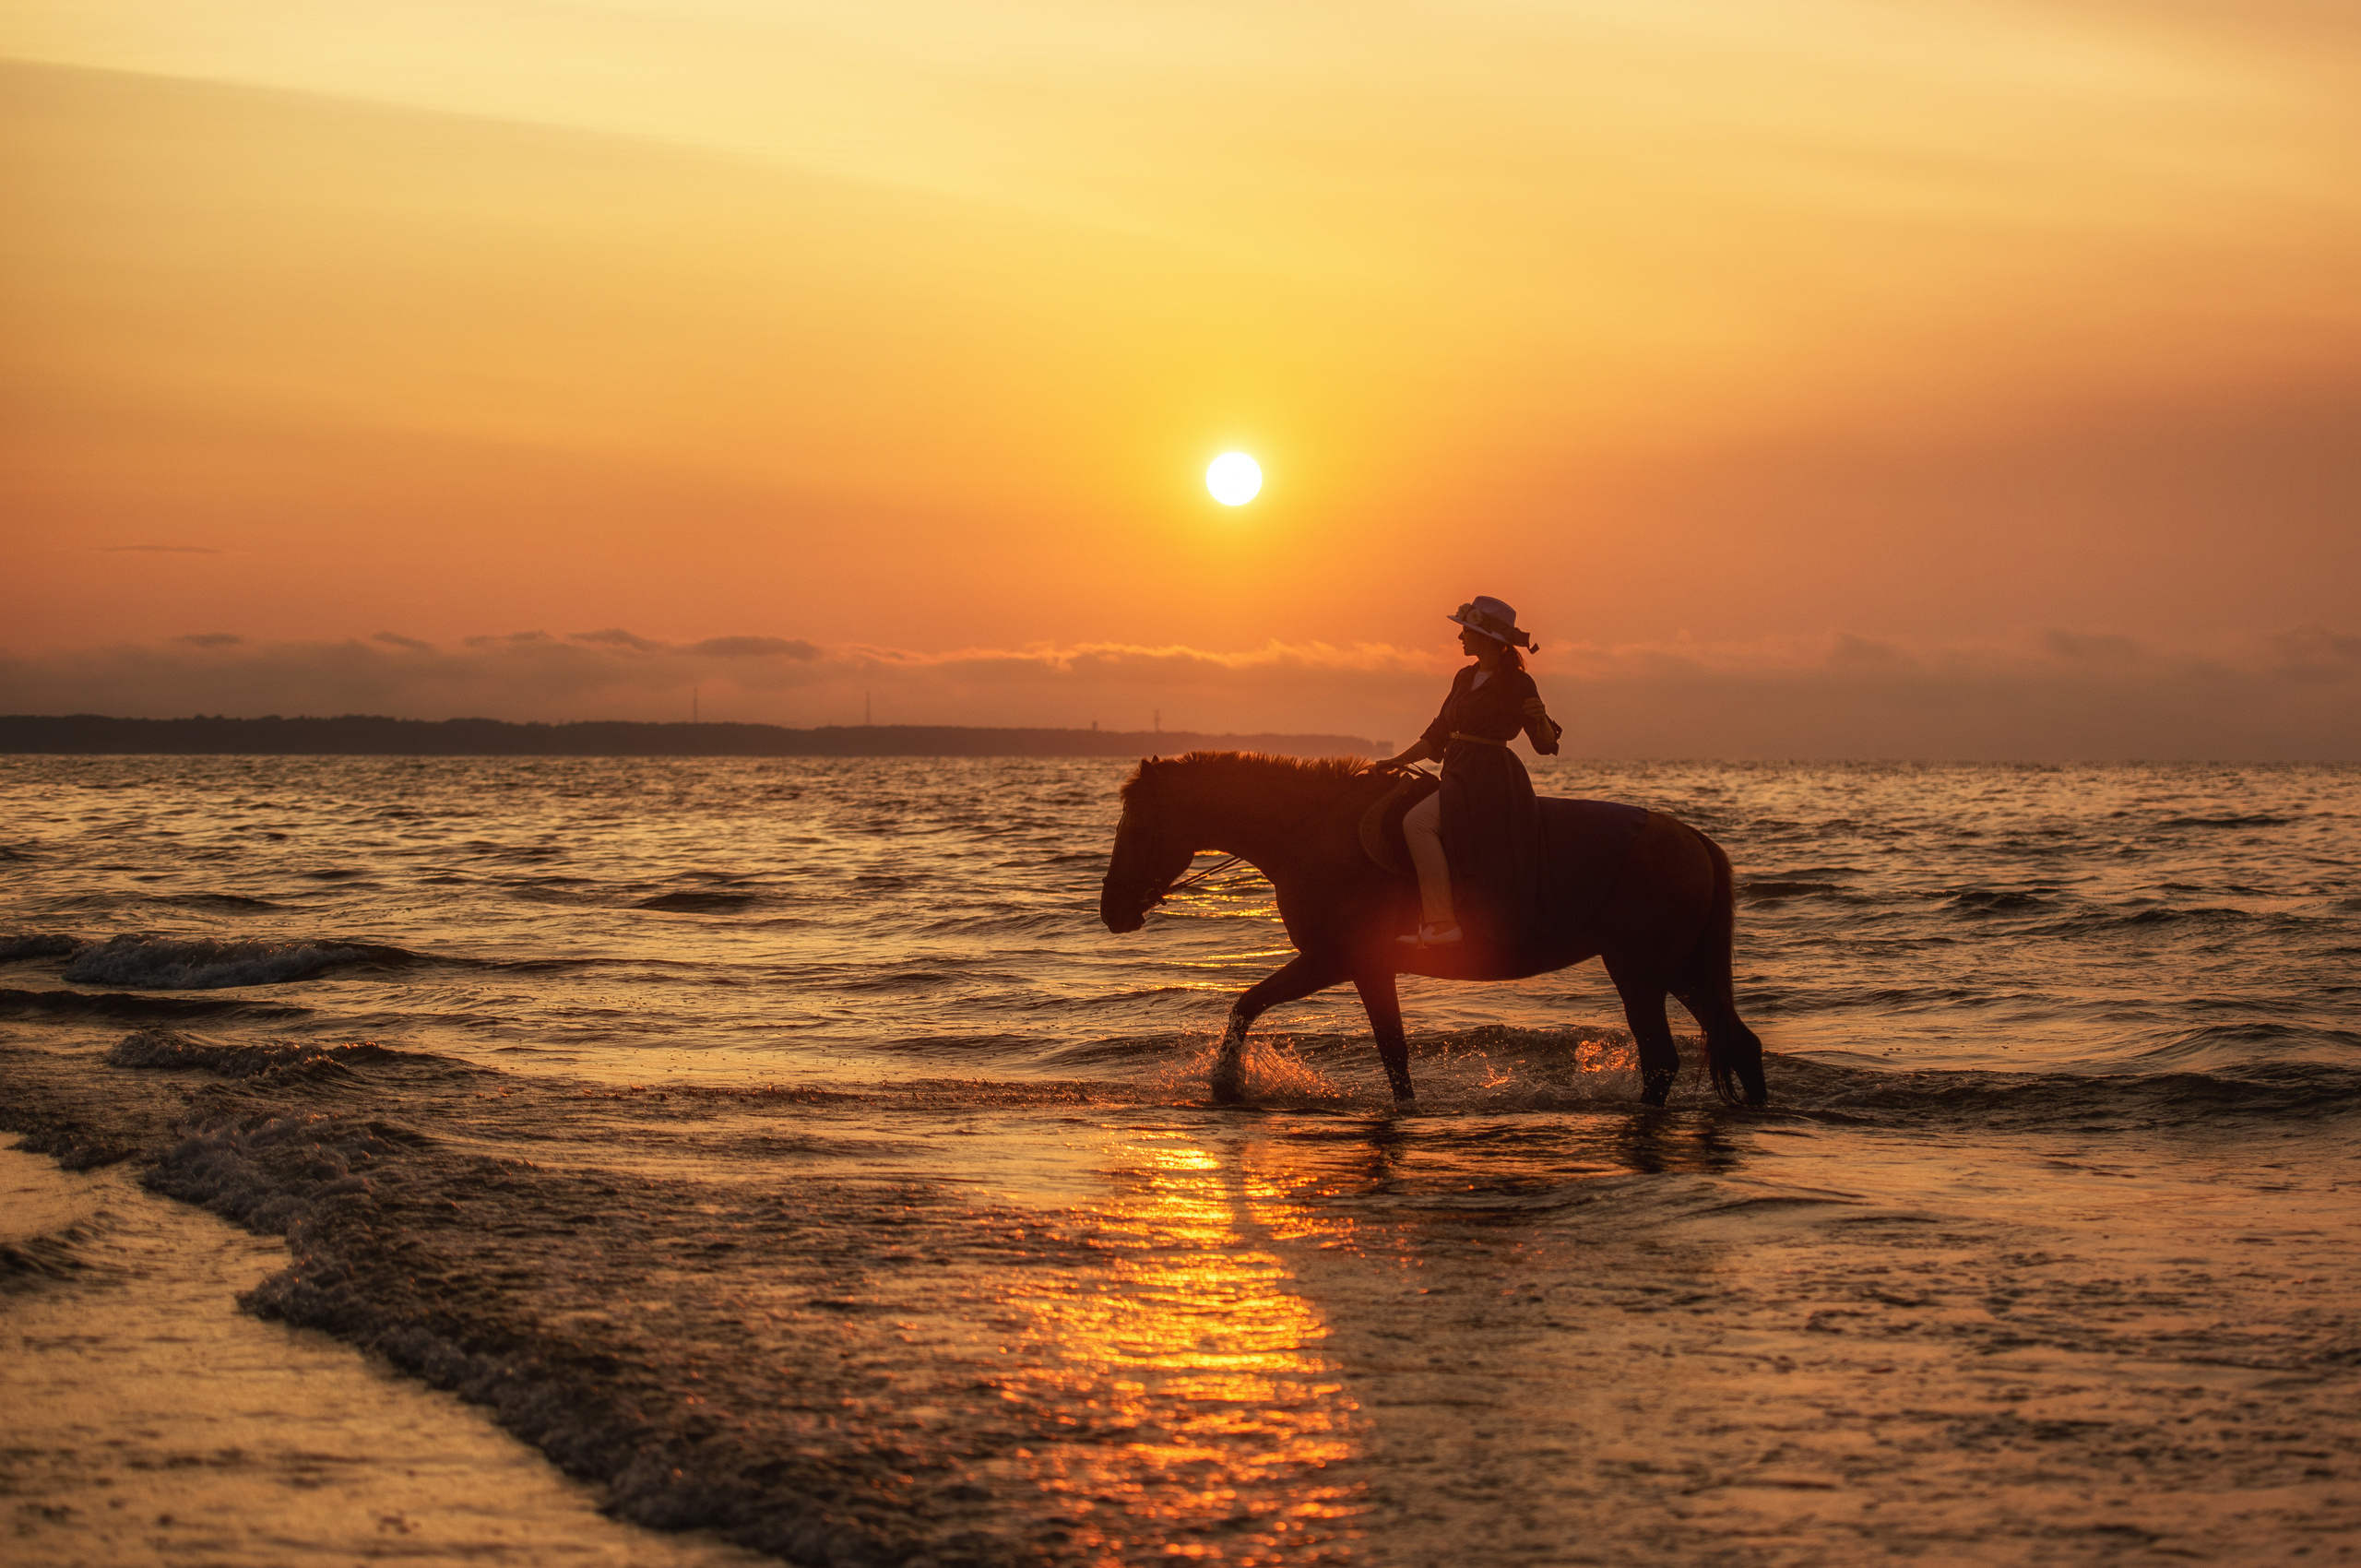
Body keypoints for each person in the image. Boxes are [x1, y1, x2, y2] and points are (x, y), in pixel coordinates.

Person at [1372, 597, 1562, 947]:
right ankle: (1416, 916)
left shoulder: (1519, 683)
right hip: (1459, 771)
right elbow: (1437, 735)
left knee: (1416, 823)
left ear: (1488, 638)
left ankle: (1443, 923)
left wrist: (1540, 718)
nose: (1460, 638)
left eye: (1466, 631)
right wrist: (1397, 761)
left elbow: (1544, 743)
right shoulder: (1463, 677)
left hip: (1489, 776)